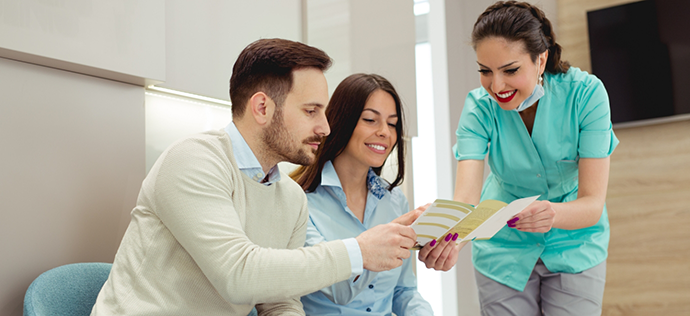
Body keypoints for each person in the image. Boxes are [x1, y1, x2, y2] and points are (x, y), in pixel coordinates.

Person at [91, 38, 420, 316]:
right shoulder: (194, 161)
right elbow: (238, 275)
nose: (326, 127)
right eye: (311, 111)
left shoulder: (289, 197)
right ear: (262, 108)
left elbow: (280, 301)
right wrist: (358, 252)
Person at [452, 1, 619, 315]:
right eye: (485, 71)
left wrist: (550, 214)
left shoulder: (586, 95)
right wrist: (451, 238)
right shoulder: (478, 107)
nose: (496, 86)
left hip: (575, 243)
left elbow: (592, 204)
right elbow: (466, 198)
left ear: (540, 60)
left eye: (510, 70)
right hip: (502, 246)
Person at [292, 74, 446, 315]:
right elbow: (339, 290)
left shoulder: (395, 201)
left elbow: (403, 291)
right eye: (370, 120)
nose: (385, 132)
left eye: (392, 123)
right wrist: (382, 243)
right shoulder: (299, 201)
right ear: (341, 121)